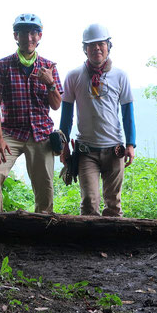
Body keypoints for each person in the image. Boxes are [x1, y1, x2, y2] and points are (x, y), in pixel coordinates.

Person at [0, 13, 63, 213]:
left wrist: (50, 83)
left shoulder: (48, 67)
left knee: (45, 190)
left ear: (40, 36)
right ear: (15, 36)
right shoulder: (3, 66)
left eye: (33, 33)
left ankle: (41, 231)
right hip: (11, 132)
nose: (29, 38)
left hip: (41, 134)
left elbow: (56, 105)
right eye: (24, 33)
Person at [59, 24, 136, 217]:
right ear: (84, 48)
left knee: (113, 204)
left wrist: (131, 144)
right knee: (89, 203)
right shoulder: (74, 76)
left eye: (101, 44)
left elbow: (128, 113)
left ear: (109, 45)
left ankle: (111, 245)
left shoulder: (120, 76)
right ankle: (90, 246)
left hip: (114, 150)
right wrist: (63, 145)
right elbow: (66, 115)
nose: (97, 49)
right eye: (91, 45)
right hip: (86, 151)